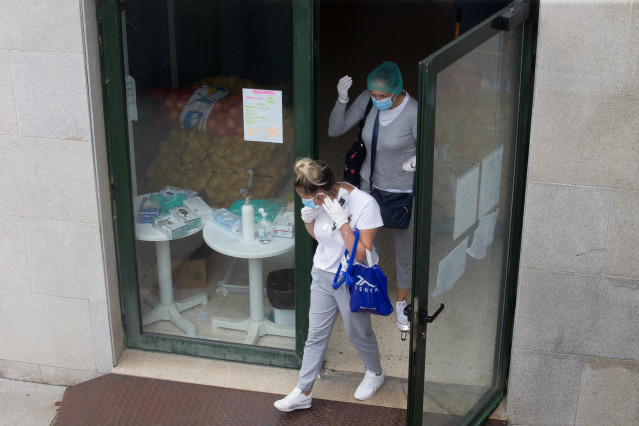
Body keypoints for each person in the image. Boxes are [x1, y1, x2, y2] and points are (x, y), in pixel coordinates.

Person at [273, 158, 385, 412]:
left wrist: (343, 222)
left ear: (321, 193)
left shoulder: (365, 204)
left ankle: (375, 372)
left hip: (353, 277)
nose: (305, 200)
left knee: (357, 332)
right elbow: (320, 236)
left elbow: (361, 254)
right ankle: (303, 391)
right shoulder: (317, 201)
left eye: (307, 198)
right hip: (323, 273)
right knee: (315, 335)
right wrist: (308, 217)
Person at [328, 61, 417, 331]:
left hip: (403, 193)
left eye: (383, 96)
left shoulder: (413, 112)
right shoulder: (367, 100)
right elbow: (335, 129)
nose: (377, 100)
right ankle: (362, 292)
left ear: (397, 90)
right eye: (374, 94)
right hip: (369, 188)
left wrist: (416, 160)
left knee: (405, 252)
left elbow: (434, 147)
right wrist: (342, 100)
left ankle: (402, 303)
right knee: (361, 246)